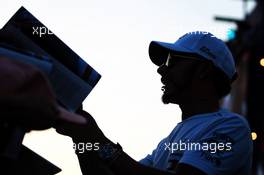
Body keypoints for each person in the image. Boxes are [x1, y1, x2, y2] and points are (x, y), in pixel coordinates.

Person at [56, 32, 253, 175]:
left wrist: (98, 141)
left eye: (172, 61)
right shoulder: (166, 143)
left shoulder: (232, 128)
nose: (162, 70)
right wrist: (81, 137)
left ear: (203, 70)